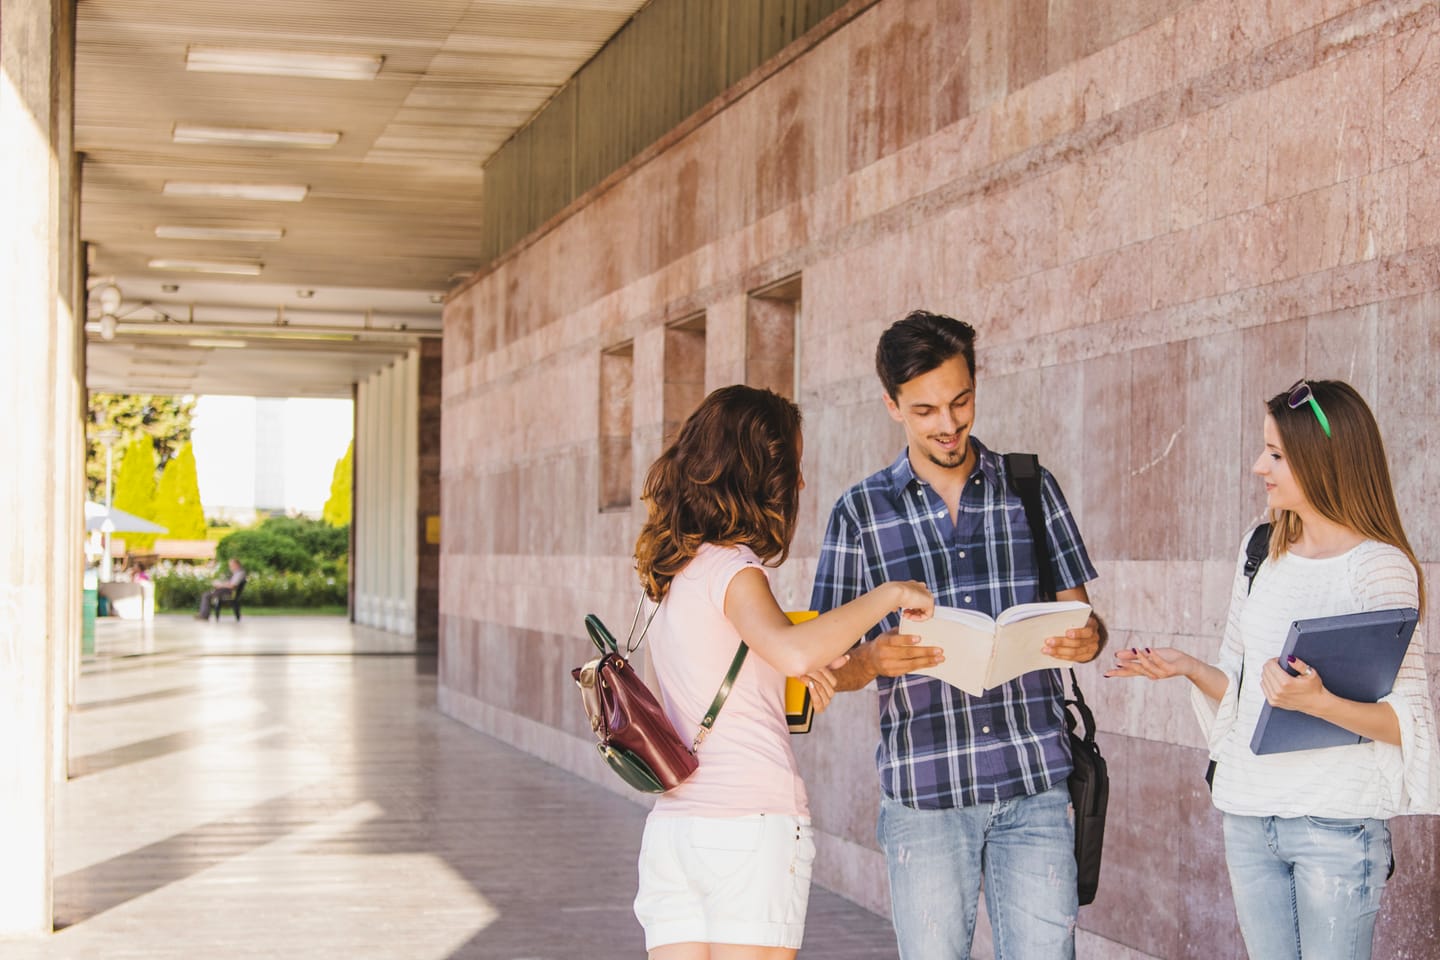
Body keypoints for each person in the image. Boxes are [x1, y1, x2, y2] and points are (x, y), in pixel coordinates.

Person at [1105, 379, 1439, 960]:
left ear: (1324, 459)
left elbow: (1404, 724)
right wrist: (1185, 667)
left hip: (1336, 827)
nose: (1260, 466)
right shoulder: (1261, 550)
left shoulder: (1380, 569)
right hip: (1250, 817)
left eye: (1277, 454)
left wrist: (1318, 702)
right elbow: (1242, 695)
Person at [809, 310, 1106, 960]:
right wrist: (873, 661)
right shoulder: (860, 512)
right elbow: (825, 662)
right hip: (926, 797)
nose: (948, 424)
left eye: (960, 401)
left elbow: (1085, 619)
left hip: (1033, 784)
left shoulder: (1030, 487)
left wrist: (1087, 639)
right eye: (925, 410)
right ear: (891, 405)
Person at [631, 384, 935, 960]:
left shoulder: (666, 573)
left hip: (674, 830)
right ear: (756, 472)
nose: (798, 483)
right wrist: (889, 594)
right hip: (749, 825)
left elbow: (687, 692)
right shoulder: (736, 571)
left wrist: (788, 677)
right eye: (791, 465)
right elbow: (793, 650)